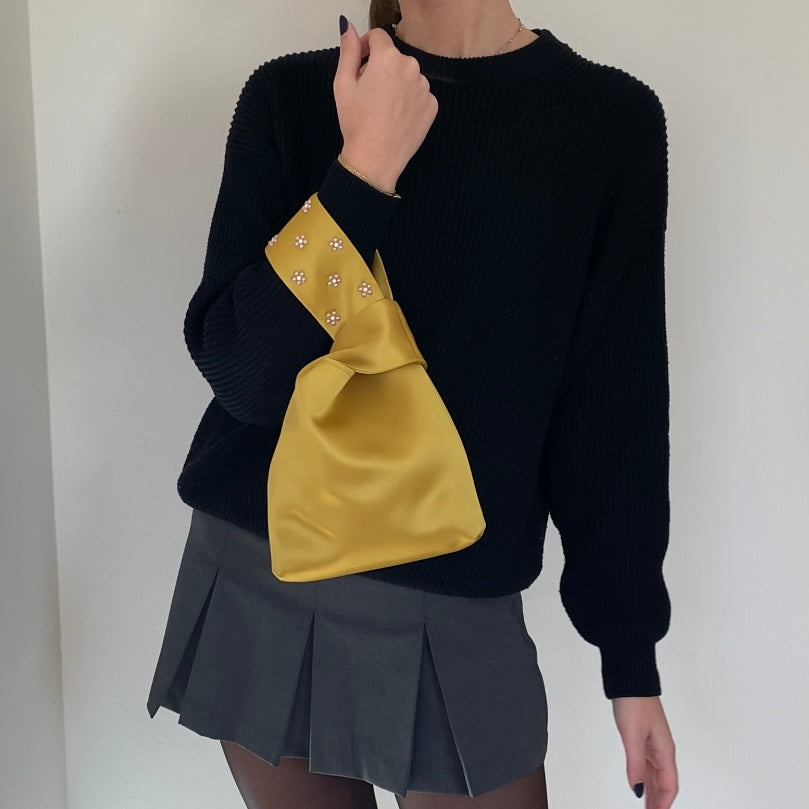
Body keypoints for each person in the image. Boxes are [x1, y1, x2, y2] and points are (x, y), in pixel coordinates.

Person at [145, 1, 680, 807]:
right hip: (265, 568)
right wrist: (363, 171)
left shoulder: (609, 122)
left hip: (456, 597)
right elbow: (242, 373)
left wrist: (629, 657)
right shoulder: (291, 97)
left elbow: (612, 412)